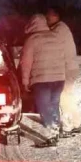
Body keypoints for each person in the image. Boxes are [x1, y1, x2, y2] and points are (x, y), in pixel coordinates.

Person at [20, 14, 67, 147]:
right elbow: (63, 58)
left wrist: (25, 81)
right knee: (54, 104)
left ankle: (52, 135)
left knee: (44, 107)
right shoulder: (56, 37)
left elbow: (26, 63)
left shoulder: (32, 39)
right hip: (59, 78)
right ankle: (57, 129)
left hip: (42, 80)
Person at [46, 6, 81, 136]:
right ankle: (76, 123)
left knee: (63, 98)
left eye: (49, 16)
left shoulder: (59, 30)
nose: (47, 18)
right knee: (68, 96)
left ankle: (67, 127)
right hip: (70, 67)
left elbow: (48, 44)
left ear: (56, 16)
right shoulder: (61, 28)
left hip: (66, 69)